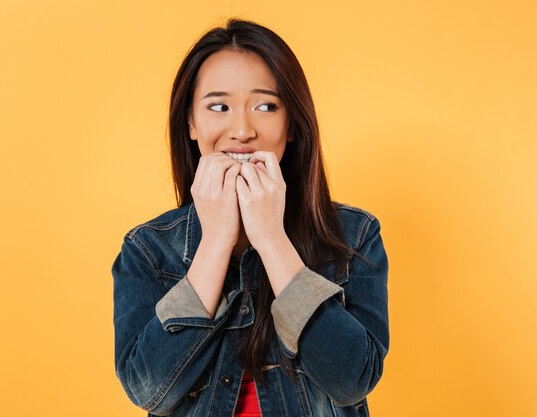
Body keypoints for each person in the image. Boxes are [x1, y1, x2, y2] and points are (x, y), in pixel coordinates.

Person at [111, 18, 389, 417]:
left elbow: (352, 380)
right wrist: (216, 242)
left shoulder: (354, 235)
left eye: (265, 106)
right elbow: (148, 389)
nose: (242, 130)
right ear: (191, 122)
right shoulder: (149, 250)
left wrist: (272, 240)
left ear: (291, 124)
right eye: (218, 107)